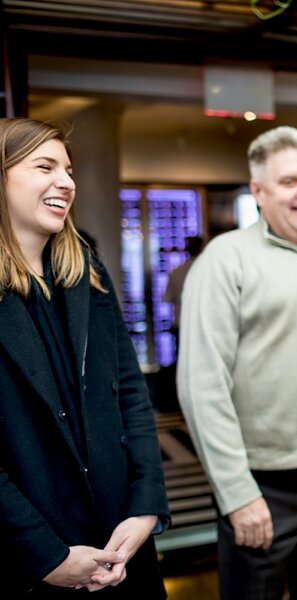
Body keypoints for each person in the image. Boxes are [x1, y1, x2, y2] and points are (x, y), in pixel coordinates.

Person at [177, 126, 297, 600]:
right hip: (262, 482)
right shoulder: (225, 260)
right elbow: (202, 384)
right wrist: (236, 492)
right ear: (259, 192)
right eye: (288, 182)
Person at [0, 118, 170, 597]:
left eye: (69, 169)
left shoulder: (86, 272)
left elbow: (132, 396)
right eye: (45, 166)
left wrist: (146, 507)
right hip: (35, 555)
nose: (66, 182)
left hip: (121, 541)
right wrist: (45, 556)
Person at [163, 235, 203, 357]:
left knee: (183, 360)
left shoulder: (176, 271)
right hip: (202, 324)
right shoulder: (207, 269)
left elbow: (167, 298)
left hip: (181, 322)